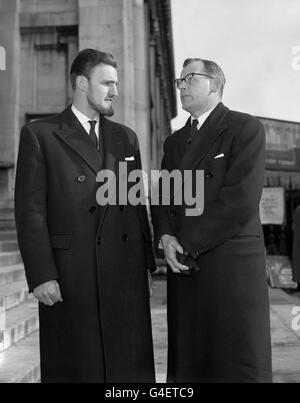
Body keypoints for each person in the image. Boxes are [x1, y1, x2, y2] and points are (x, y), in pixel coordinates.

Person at [15, 49, 156, 383]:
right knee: (79, 367)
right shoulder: (41, 134)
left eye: (117, 83)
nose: (115, 91)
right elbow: (30, 211)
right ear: (81, 83)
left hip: (123, 272)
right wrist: (41, 275)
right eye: (107, 82)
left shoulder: (126, 138)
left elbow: (136, 206)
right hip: (70, 275)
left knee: (127, 372)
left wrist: (146, 265)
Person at [151, 58, 272, 383]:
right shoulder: (174, 142)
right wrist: (164, 237)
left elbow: (240, 201)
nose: (182, 87)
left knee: (235, 364)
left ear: (216, 84)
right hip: (185, 269)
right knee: (191, 363)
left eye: (190, 78)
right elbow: (162, 196)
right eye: (179, 82)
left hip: (229, 268)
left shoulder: (244, 128)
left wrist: (185, 242)